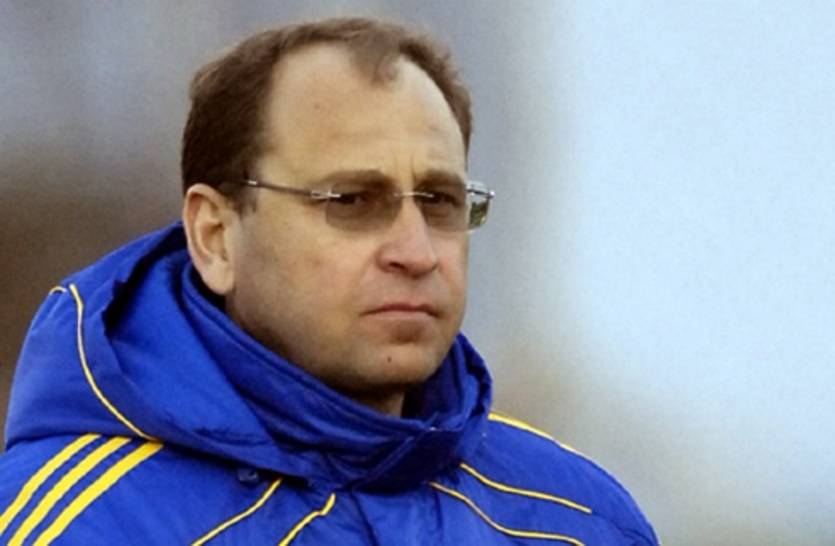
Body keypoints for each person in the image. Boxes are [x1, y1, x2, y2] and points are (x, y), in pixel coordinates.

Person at [0, 17, 658, 545]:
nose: (415, 252)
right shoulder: (74, 525)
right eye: (351, 201)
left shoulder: (579, 520)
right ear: (215, 236)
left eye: (439, 201)